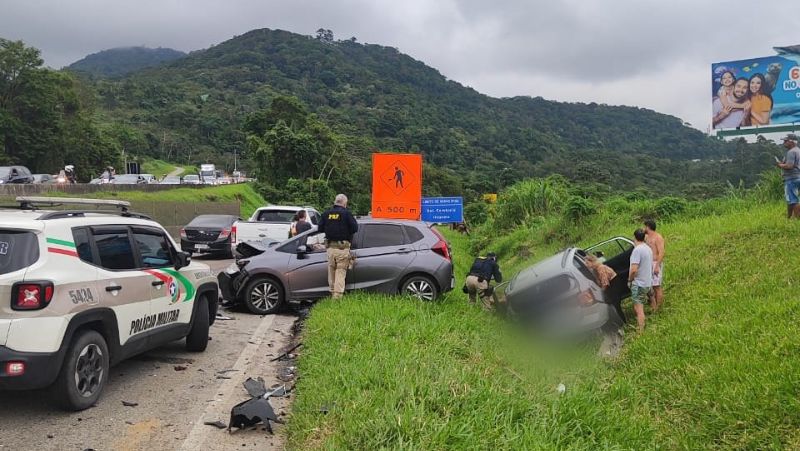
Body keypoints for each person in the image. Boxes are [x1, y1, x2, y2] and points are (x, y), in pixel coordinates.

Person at [317, 194, 359, 299]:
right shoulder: (346, 214)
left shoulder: (326, 214)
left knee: (331, 271)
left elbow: (320, 229)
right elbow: (355, 228)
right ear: (344, 203)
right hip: (342, 249)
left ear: (335, 202)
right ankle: (337, 297)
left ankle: (332, 293)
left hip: (330, 248)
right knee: (340, 272)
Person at [627, 228, 653, 332]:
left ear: (635, 237)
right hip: (647, 282)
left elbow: (633, 270)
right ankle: (642, 326)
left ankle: (641, 331)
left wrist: (630, 280)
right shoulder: (648, 248)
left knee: (639, 309)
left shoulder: (637, 250)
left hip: (639, 283)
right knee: (638, 305)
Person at [644, 219, 665, 312]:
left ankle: (659, 307)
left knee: (657, 286)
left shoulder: (658, 237)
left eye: (645, 226)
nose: (644, 228)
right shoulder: (647, 237)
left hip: (655, 263)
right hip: (649, 264)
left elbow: (661, 252)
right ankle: (654, 305)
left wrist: (657, 266)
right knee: (650, 286)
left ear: (648, 227)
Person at [777, 134, 800, 219]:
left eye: (786, 141)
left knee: (793, 200)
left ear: (792, 142)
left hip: (792, 178)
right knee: (791, 199)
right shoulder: (798, 150)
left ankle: (797, 220)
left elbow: (789, 166)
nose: (784, 143)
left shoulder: (791, 152)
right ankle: (789, 217)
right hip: (798, 176)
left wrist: (780, 165)